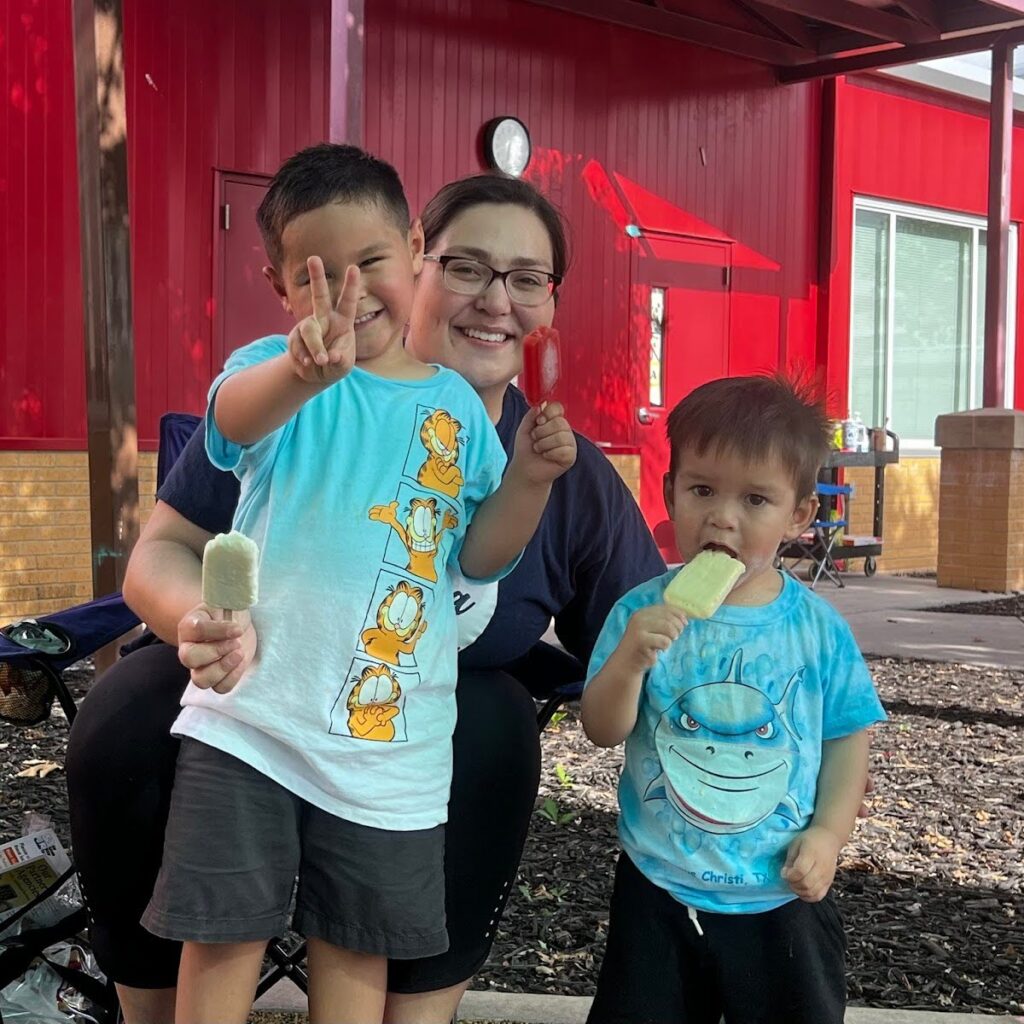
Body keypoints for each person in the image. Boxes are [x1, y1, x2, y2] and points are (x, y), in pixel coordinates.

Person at [65, 170, 667, 1024]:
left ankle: (416, 1011)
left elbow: (632, 622)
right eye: (469, 267)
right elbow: (162, 549)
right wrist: (190, 619)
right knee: (128, 708)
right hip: (258, 691)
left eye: (527, 278)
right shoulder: (287, 387)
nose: (497, 300)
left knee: (493, 726)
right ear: (425, 263)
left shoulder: (553, 464)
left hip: (400, 742)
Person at [580, 375, 886, 1024]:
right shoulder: (639, 612)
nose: (724, 516)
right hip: (658, 886)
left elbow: (845, 741)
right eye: (702, 490)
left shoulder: (816, 629)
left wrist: (829, 836)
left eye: (755, 499)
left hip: (778, 897)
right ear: (669, 494)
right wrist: (632, 659)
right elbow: (602, 729)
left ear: (798, 516)